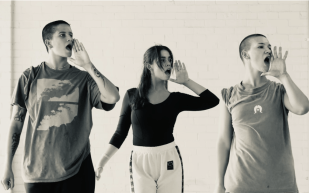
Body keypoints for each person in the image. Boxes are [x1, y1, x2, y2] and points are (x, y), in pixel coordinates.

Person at [1, 20, 120, 193]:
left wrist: (87, 65)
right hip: (37, 171)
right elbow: (16, 124)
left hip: (78, 170)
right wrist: (7, 165)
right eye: (62, 35)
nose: (70, 38)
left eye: (71, 34)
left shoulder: (83, 79)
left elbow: (112, 96)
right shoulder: (30, 76)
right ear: (48, 42)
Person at [95, 45, 220, 193]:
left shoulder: (176, 99)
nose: (168, 63)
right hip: (140, 160)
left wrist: (186, 81)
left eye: (169, 59)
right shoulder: (132, 96)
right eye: (162, 60)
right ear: (149, 66)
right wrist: (101, 162)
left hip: (169, 158)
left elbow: (212, 101)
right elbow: (120, 133)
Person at [214, 34, 309, 193]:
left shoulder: (279, 91)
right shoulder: (229, 95)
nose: (268, 50)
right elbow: (224, 141)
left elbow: (302, 108)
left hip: (282, 186)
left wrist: (283, 76)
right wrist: (219, 184)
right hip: (241, 186)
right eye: (261, 46)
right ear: (246, 54)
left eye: (269, 47)